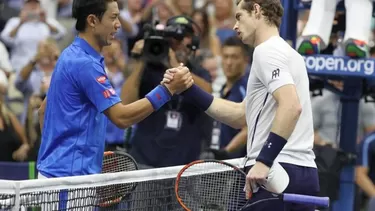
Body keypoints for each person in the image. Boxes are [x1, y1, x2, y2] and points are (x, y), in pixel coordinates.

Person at [163, 0, 319, 210]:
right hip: (302, 173)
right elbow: (241, 115)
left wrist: (264, 161)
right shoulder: (290, 54)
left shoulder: (266, 51)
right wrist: (189, 89)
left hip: (277, 169)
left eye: (239, 17)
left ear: (256, 10)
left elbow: (291, 106)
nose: (235, 26)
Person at [36, 0, 193, 179]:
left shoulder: (70, 55)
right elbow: (121, 117)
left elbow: (43, 111)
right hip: (69, 180)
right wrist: (167, 90)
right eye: (113, 17)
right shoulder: (85, 64)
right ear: (92, 21)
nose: (118, 24)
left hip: (59, 174)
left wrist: (57, 155)